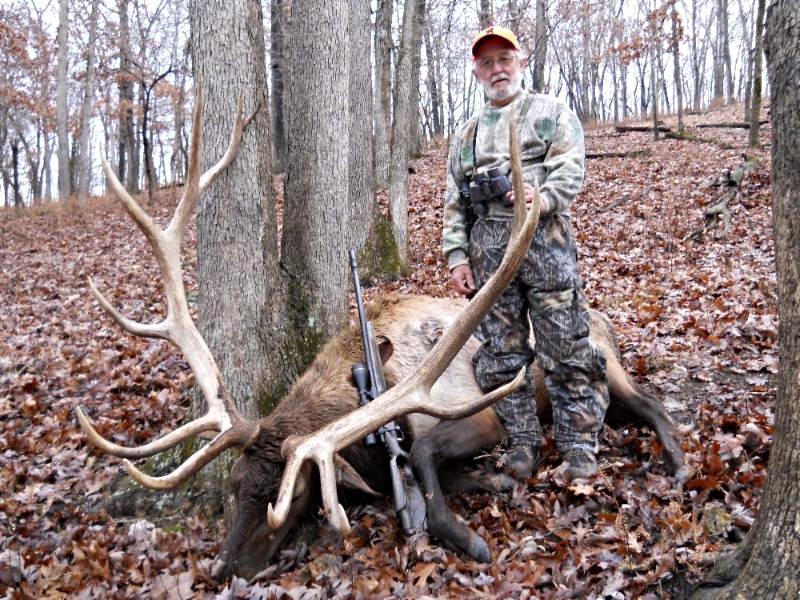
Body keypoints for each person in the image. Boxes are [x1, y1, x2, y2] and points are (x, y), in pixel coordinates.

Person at [443, 26, 609, 481]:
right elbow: (454, 203)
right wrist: (457, 257)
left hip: (544, 241)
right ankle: (522, 441)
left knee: (566, 346)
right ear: (476, 72)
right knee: (502, 354)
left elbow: (571, 170)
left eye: (504, 59)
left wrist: (542, 197)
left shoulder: (551, 113)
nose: (497, 69)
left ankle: (579, 445)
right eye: (487, 62)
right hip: (489, 252)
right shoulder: (466, 136)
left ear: (520, 62)